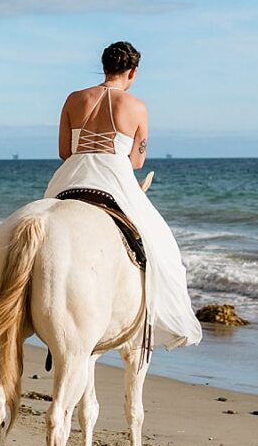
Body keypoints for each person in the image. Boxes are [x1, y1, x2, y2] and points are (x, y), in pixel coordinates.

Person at [44, 41, 203, 350]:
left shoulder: (74, 99)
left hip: (71, 176)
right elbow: (137, 161)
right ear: (132, 72)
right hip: (114, 177)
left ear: (104, 67)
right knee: (162, 247)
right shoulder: (137, 107)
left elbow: (65, 151)